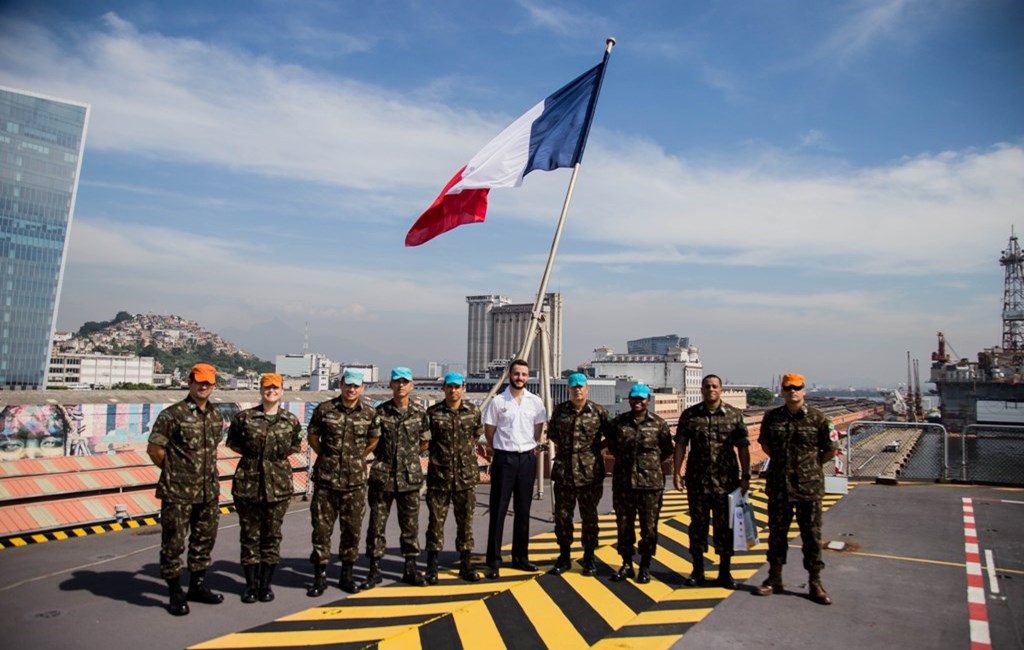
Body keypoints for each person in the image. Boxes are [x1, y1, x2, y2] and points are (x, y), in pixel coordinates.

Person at [146, 363, 225, 616]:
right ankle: (174, 592)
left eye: (208, 383)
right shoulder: (173, 414)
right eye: (199, 381)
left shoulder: (215, 415)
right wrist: (175, 473)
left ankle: (197, 586)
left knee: (203, 540)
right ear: (189, 383)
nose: (204, 386)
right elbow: (155, 450)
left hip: (208, 491)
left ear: (214, 385)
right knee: (174, 543)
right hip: (178, 492)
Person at [755, 373, 838, 605]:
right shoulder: (772, 418)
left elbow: (830, 449)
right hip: (779, 487)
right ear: (782, 391)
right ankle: (774, 578)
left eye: (797, 387)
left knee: (812, 537)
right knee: (776, 535)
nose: (792, 391)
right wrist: (785, 464)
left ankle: (815, 582)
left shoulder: (819, 419)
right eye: (788, 388)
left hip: (808, 489)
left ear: (804, 390)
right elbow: (765, 445)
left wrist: (811, 466)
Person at [226, 373, 302, 603]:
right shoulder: (244, 418)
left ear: (282, 391)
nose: (271, 391)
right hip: (248, 485)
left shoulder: (290, 420)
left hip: (278, 486)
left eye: (275, 388)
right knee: (249, 536)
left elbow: (294, 446)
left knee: (272, 536)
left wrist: (271, 461)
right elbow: (235, 444)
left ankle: (265, 585)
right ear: (260, 390)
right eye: (267, 387)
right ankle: (250, 585)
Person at [306, 369, 380, 596]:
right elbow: (312, 436)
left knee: (352, 531)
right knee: (321, 531)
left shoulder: (369, 413)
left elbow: (374, 439)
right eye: (348, 385)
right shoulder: (325, 409)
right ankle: (319, 577)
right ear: (340, 384)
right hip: (326, 481)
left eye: (356, 386)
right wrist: (327, 457)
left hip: (354, 482)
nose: (352, 389)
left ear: (363, 388)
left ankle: (346, 575)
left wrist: (356, 458)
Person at [673, 374, 751, 589]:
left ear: (721, 389)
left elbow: (743, 447)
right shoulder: (690, 415)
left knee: (725, 527)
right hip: (698, 482)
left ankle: (725, 573)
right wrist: (677, 473)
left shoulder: (734, 416)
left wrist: (746, 475)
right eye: (707, 386)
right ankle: (697, 571)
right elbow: (680, 444)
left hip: (726, 483)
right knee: (697, 527)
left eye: (714, 386)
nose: (711, 390)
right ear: (701, 390)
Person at [362, 367, 430, 589]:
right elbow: (372, 443)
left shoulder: (420, 414)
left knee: (410, 526)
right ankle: (374, 569)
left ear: (411, 386)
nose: (401, 386)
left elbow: (424, 442)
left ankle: (410, 567)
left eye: (405, 382)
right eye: (397, 382)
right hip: (383, 477)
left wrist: (408, 458)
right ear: (390, 385)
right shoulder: (379, 413)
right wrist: (385, 459)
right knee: (376, 525)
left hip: (409, 479)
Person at [483, 358, 548, 579]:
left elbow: (538, 430)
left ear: (527, 377)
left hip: (527, 460)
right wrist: (500, 450)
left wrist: (531, 448)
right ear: (510, 375)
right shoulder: (498, 402)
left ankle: (521, 557)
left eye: (523, 374)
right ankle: (493, 560)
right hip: (504, 459)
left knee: (523, 510)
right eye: (516, 373)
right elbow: (489, 432)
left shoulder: (535, 402)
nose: (519, 377)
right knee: (498, 510)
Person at [605, 383, 673, 584]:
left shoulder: (659, 424)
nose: (638, 401)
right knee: (624, 526)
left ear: (648, 401)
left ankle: (645, 564)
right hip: (624, 483)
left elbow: (667, 450)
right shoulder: (619, 422)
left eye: (642, 398)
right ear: (629, 399)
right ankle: (626, 564)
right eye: (634, 398)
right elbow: (612, 447)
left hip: (650, 485)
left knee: (649, 527)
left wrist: (649, 466)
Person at [546, 372, 611, 576]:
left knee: (589, 517)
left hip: (589, 472)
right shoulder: (560, 411)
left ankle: (589, 556)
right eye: (574, 386)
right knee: (563, 517)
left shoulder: (598, 411)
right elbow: (553, 435)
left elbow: (611, 436)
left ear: (587, 388)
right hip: (565, 472)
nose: (577, 389)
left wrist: (593, 450)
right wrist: (569, 450)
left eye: (581, 386)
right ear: (568, 389)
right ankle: (564, 556)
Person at [424, 372, 484, 583]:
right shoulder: (433, 413)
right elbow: (426, 442)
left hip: (465, 477)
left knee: (465, 522)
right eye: (449, 386)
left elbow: (476, 434)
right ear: (444, 389)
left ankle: (466, 564)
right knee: (435, 522)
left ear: (463, 388)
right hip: (439, 476)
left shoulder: (473, 412)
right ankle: (432, 565)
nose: (453, 390)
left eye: (457, 387)